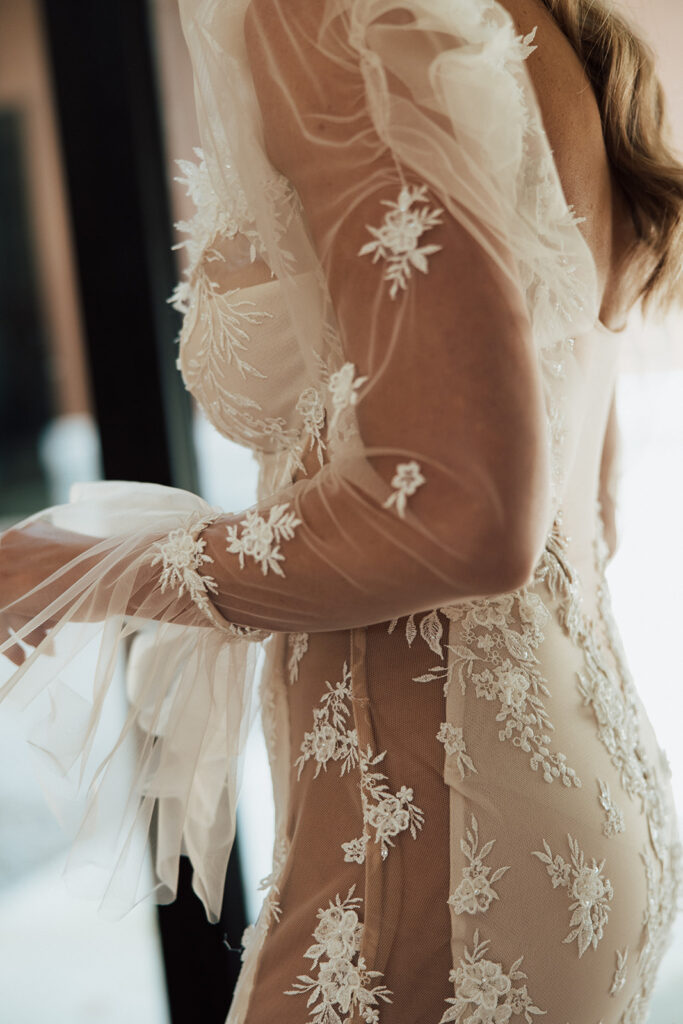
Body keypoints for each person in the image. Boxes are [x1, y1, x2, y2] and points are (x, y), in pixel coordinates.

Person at [1, 0, 682, 1021]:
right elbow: (582, 506)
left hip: (440, 860)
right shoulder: (541, 32)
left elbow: (466, 517)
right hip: (562, 799)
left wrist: (85, 566)